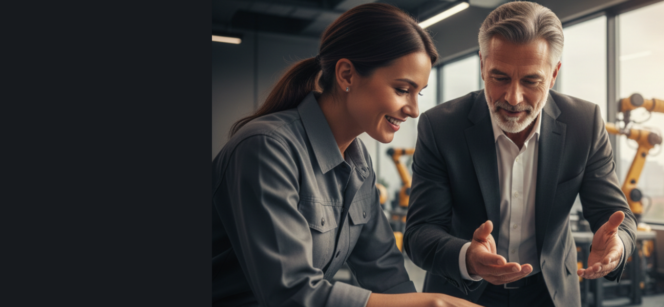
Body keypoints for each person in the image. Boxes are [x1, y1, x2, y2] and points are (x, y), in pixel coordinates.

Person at [211, 3, 480, 307]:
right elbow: (291, 293)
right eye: (402, 89)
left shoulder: (359, 164)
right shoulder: (266, 149)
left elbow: (386, 274)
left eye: (418, 93)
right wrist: (430, 304)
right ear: (347, 74)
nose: (414, 110)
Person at [403, 2, 638, 307]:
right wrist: (468, 258)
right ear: (482, 65)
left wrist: (616, 245)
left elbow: (616, 216)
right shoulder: (441, 126)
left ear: (553, 75)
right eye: (499, 77)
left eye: (531, 80)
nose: (513, 98)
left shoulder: (585, 123)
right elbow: (420, 232)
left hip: (550, 292)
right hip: (462, 290)